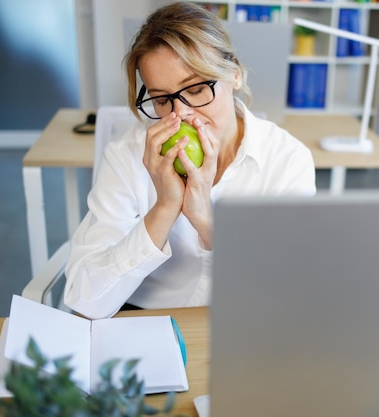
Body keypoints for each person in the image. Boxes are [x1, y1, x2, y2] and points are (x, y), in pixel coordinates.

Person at [64, 1, 316, 319]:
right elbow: (84, 300)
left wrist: (204, 218)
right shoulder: (126, 155)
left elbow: (283, 292)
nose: (180, 114)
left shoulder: (287, 160)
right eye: (161, 99)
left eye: (196, 89)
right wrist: (165, 207)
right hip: (142, 319)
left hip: (239, 320)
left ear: (234, 74)